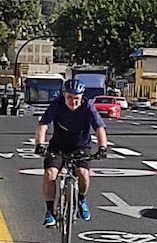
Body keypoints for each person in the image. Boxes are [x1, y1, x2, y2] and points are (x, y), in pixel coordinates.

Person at [34, 78, 108, 227]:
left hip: (81, 147)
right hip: (58, 146)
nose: (72, 102)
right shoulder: (57, 104)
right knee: (50, 174)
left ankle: (81, 199)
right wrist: (40, 144)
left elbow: (99, 128)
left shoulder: (88, 106)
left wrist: (102, 147)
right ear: (63, 95)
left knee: (83, 173)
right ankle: (50, 211)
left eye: (76, 98)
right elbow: (43, 125)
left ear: (82, 97)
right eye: (69, 97)